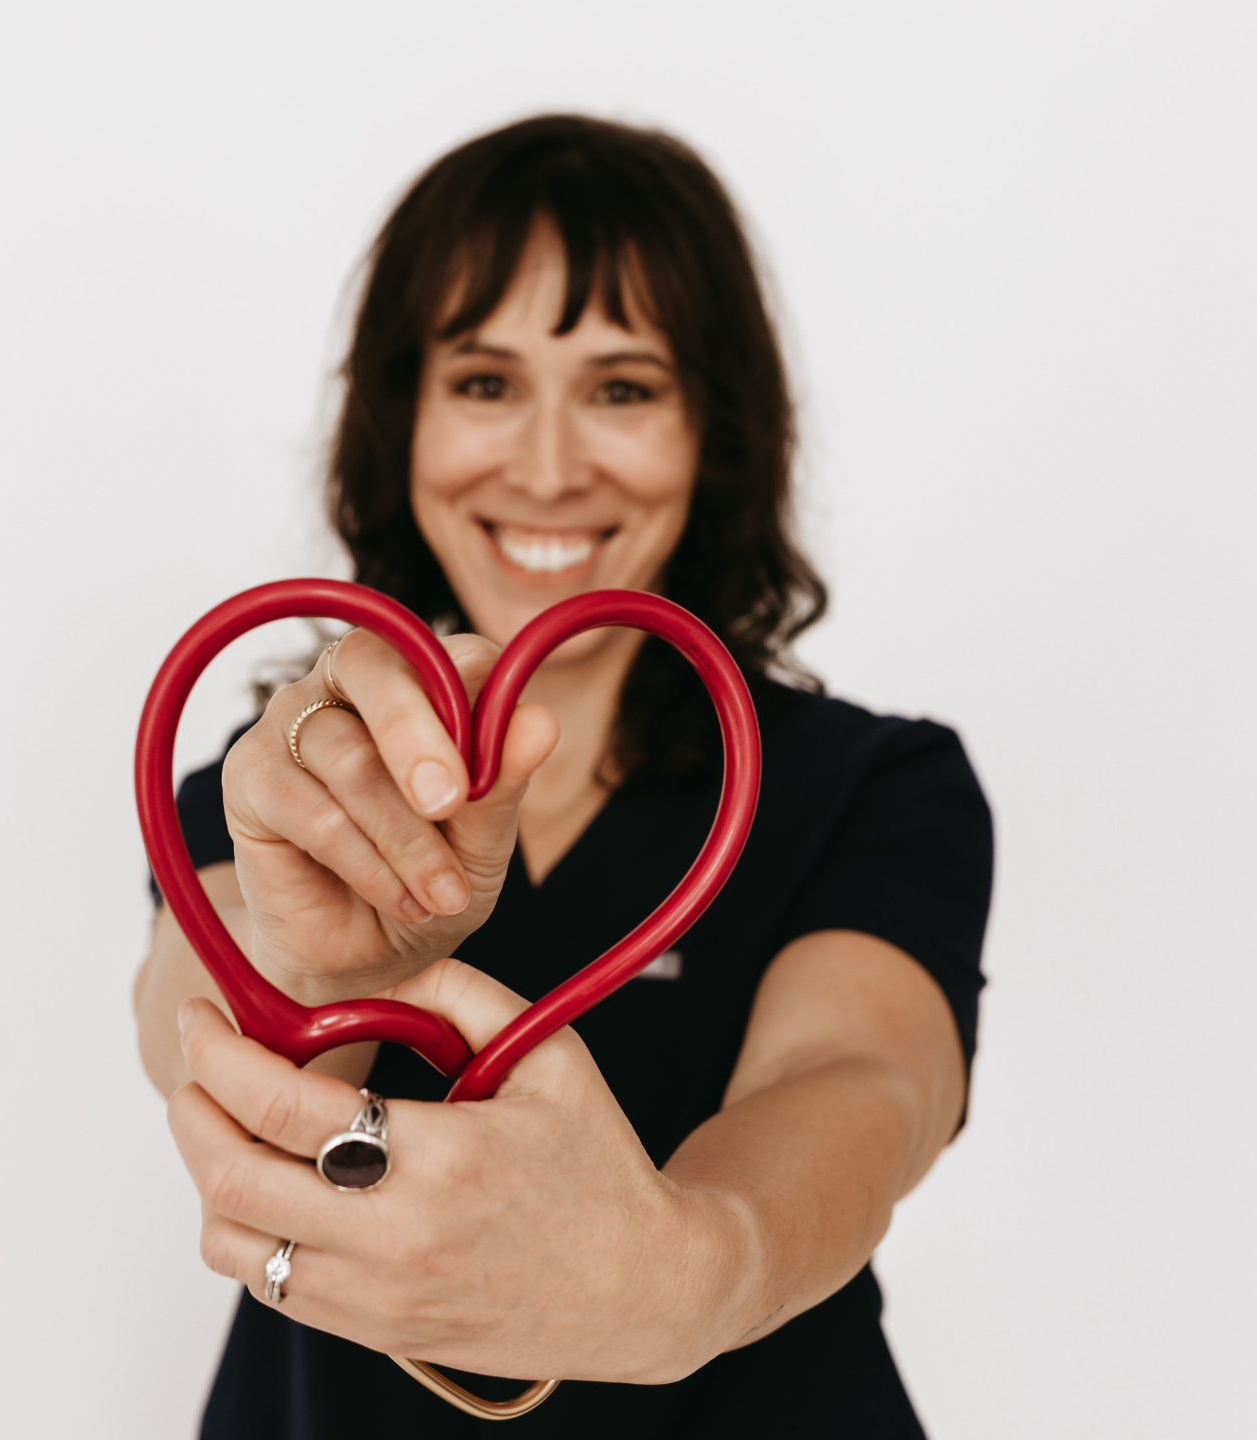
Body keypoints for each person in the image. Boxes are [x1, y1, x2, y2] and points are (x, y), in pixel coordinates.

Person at [134, 114, 992, 1438]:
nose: (545, 466)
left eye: (622, 388)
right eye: (485, 382)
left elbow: (866, 1082)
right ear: (402, 419)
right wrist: (312, 968)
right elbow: (191, 1023)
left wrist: (688, 1274)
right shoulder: (272, 794)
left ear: (714, 431)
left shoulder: (874, 786)